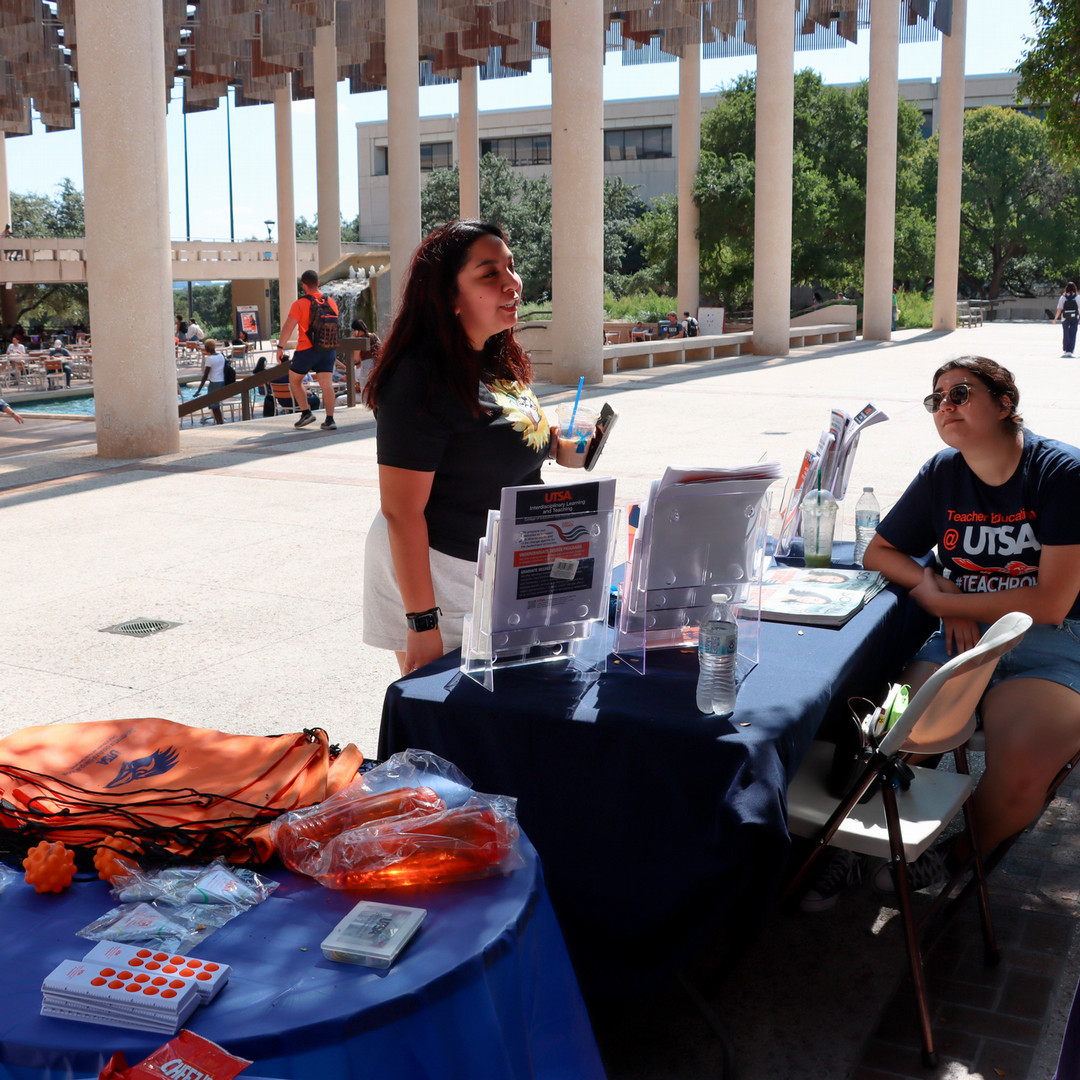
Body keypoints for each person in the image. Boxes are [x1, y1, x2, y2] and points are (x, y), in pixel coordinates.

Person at [803, 356, 1080, 911]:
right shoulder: (942, 472)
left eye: (960, 393)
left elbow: (1051, 601)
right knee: (888, 733)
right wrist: (938, 593)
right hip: (960, 639)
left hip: (1051, 640)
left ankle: (955, 854)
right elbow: (878, 551)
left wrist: (955, 598)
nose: (945, 406)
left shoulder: (1061, 473)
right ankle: (853, 842)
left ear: (1005, 404)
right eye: (937, 400)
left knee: (1025, 768)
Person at [361, 220, 563, 677]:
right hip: (440, 575)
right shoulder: (418, 378)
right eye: (489, 273)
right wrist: (422, 623)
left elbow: (492, 437)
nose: (512, 282)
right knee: (449, 724)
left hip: (506, 564)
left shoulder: (495, 356)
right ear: (448, 296)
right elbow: (401, 512)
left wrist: (557, 446)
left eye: (511, 267)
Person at [275, 270, 338, 430]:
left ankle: (306, 412)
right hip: (328, 349)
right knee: (327, 384)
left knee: (295, 380)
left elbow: (289, 327)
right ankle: (330, 420)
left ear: (303, 285)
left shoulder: (300, 303)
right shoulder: (330, 301)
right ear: (318, 283)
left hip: (307, 349)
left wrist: (280, 347)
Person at [192, 338, 227, 425]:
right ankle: (220, 422)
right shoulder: (221, 356)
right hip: (222, 381)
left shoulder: (209, 359)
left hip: (214, 383)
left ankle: (220, 423)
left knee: (214, 405)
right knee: (216, 404)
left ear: (208, 348)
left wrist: (199, 390)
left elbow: (205, 375)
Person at [1052, 282, 1079, 357]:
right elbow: (1079, 309)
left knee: (1066, 334)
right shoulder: (1077, 297)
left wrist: (1055, 319)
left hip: (1065, 318)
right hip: (1075, 318)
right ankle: (1070, 351)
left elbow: (1060, 309)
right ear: (1075, 288)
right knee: (1073, 334)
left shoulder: (1063, 297)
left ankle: (1065, 350)